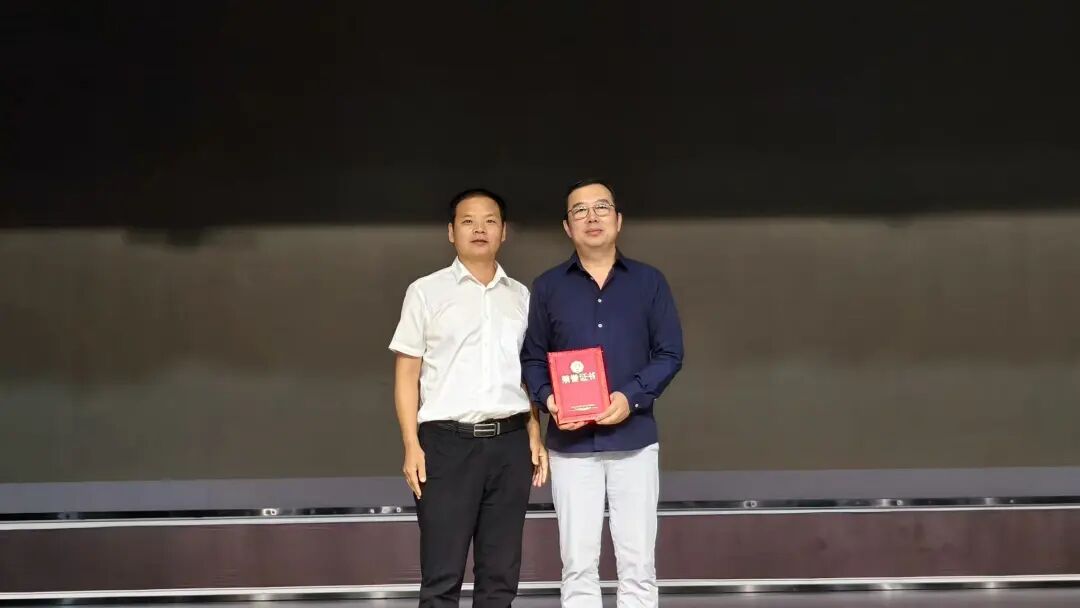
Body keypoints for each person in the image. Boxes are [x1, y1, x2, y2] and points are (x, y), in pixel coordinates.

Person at [521, 179, 684, 608]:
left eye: (601, 207)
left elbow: (670, 353)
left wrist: (630, 397)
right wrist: (549, 399)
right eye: (580, 210)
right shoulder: (547, 287)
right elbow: (533, 358)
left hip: (635, 441)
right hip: (571, 445)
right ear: (567, 226)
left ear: (618, 219)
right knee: (577, 565)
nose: (592, 217)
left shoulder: (649, 282)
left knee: (638, 563)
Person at [390, 188, 548, 608]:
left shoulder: (521, 297)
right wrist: (411, 444)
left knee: (500, 577)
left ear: (503, 231)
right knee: (441, 576)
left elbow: (528, 372)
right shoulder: (425, 292)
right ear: (451, 232)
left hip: (511, 445)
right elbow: (407, 375)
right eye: (468, 221)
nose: (480, 229)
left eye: (490, 220)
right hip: (445, 446)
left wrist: (535, 432)